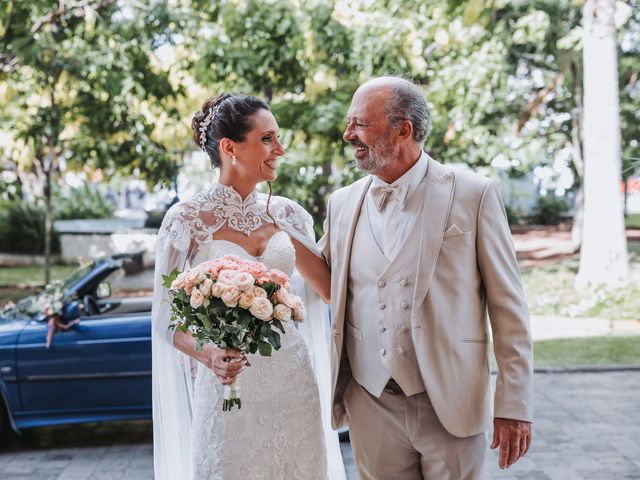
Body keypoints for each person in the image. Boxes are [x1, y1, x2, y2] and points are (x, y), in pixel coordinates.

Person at [319, 76, 533, 479]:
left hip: (451, 399)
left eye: (360, 124)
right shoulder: (342, 203)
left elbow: (510, 309)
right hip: (370, 399)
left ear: (403, 130)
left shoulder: (474, 194)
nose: (348, 135)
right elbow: (321, 279)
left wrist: (514, 405)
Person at [151, 93, 346, 480]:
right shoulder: (187, 220)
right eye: (268, 139)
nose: (281, 149)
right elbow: (165, 316)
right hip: (229, 383)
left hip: (292, 379)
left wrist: (288, 230)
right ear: (230, 147)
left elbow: (328, 290)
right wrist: (209, 355)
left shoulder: (288, 213)